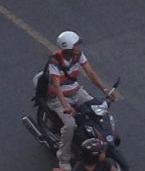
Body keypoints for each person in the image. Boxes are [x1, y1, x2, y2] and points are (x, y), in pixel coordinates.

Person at [47, 31, 116, 171]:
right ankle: (63, 157)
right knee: (70, 124)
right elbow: (56, 86)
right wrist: (66, 106)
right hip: (59, 97)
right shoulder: (55, 61)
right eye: (77, 44)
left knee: (99, 108)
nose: (80, 46)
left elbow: (90, 73)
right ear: (70, 48)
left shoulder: (78, 55)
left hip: (76, 91)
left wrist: (105, 90)